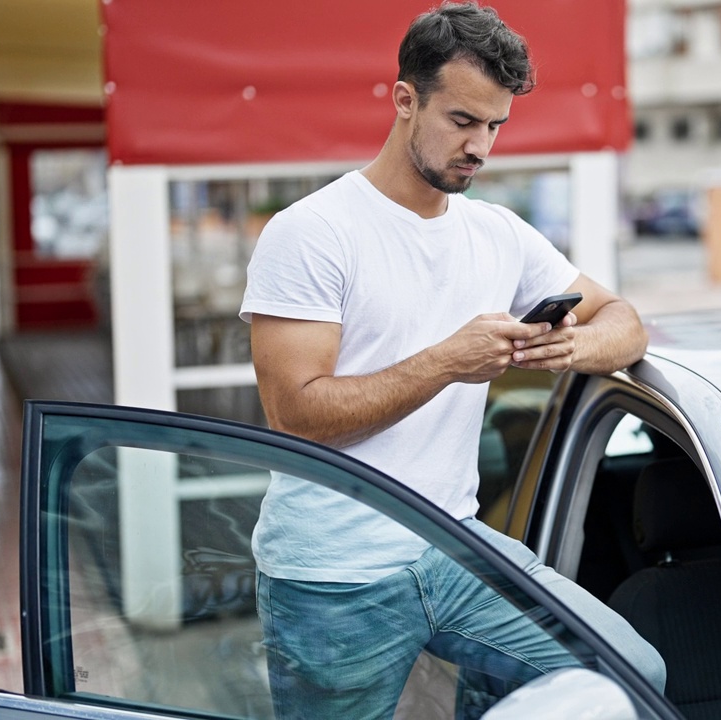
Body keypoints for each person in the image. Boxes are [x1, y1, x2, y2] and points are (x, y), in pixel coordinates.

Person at [238, 2, 666, 718]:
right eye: (463, 121)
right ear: (406, 99)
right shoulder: (311, 233)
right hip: (334, 573)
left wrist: (575, 346)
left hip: (455, 546)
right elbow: (297, 415)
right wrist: (447, 361)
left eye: (495, 125)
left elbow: (625, 321)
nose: (482, 147)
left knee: (631, 672)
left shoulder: (498, 234)